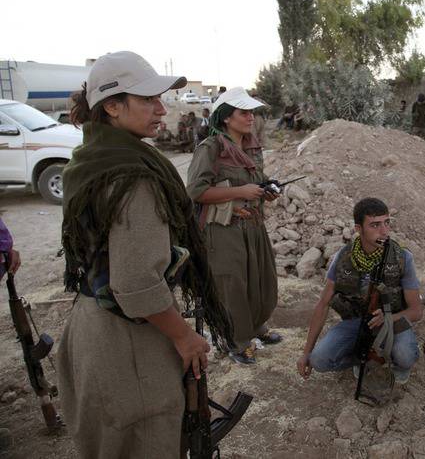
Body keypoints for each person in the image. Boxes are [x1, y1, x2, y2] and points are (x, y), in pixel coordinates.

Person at [57, 51, 234, 458]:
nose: (161, 109)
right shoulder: (134, 177)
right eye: (148, 100)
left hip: (92, 327)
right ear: (113, 107)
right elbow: (136, 284)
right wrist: (184, 337)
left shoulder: (90, 161)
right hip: (127, 344)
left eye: (162, 98)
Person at [187, 87, 282, 365]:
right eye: (244, 112)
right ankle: (236, 341)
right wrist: (240, 192)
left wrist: (267, 188)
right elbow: (195, 191)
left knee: (259, 279)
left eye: (251, 112)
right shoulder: (211, 148)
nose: (250, 117)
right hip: (224, 229)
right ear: (226, 118)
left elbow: (257, 178)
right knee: (233, 286)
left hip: (252, 225)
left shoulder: (251, 145)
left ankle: (256, 327)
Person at [296, 198, 423, 384]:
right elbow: (323, 304)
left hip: (393, 322)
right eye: (375, 225)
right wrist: (306, 352)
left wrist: (388, 318)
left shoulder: (402, 257)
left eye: (387, 223)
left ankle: (397, 365)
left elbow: (416, 311)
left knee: (405, 355)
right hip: (357, 321)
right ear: (358, 229)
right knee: (319, 360)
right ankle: (362, 358)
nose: (384, 231)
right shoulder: (344, 256)